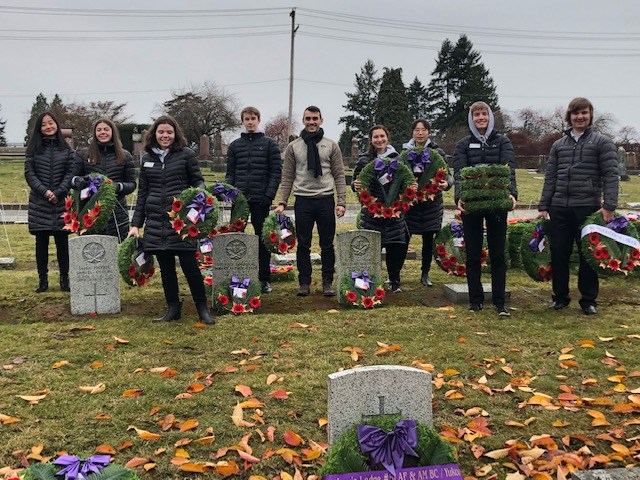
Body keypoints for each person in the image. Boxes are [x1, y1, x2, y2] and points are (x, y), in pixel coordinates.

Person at [128, 115, 214, 324]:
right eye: (161, 132)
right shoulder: (147, 157)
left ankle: (202, 308)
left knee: (190, 267)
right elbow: (143, 193)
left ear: (175, 134)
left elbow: (198, 181)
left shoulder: (186, 155)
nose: (165, 135)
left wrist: (196, 196)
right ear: (154, 134)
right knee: (166, 269)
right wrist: (135, 224)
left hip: (180, 221)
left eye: (169, 132)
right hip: (156, 222)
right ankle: (173, 308)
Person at [538, 97, 618, 316]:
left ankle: (588, 300)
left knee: (587, 256)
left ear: (590, 115)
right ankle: (560, 297)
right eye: (576, 113)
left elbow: (611, 174)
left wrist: (609, 205)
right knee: (559, 253)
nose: (580, 117)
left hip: (588, 207)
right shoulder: (558, 145)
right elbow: (551, 177)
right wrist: (544, 205)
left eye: (584, 113)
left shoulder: (602, 142)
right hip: (559, 208)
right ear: (569, 116)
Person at [274, 106, 346, 297]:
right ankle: (304, 283)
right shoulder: (294, 146)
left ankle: (327, 282)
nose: (311, 122)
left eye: (315, 118)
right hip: (303, 201)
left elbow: (339, 175)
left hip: (325, 200)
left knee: (327, 244)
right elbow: (287, 176)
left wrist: (341, 201)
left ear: (321, 120)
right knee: (303, 243)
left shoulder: (331, 145)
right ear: (303, 121)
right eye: (308, 118)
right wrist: (282, 201)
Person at [454, 101, 517, 316]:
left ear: (490, 117)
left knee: (498, 253)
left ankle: (500, 302)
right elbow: (459, 172)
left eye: (483, 114)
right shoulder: (463, 144)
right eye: (476, 115)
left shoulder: (502, 141)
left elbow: (509, 171)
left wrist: (512, 194)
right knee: (473, 254)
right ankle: (475, 300)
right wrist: (459, 199)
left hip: (496, 205)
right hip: (472, 205)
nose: (480, 118)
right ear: (471, 119)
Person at [225, 106, 282, 294]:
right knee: (235, 237)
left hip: (261, 199)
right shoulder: (234, 146)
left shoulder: (269, 144)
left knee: (263, 239)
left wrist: (268, 195)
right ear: (242, 121)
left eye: (253, 118)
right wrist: (229, 194)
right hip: (239, 200)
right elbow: (230, 174)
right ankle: (235, 275)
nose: (250, 122)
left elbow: (275, 172)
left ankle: (264, 278)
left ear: (258, 120)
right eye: (246, 119)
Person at [352, 125, 410, 293]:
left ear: (387, 137)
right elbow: (357, 182)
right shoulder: (364, 160)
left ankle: (394, 280)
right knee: (370, 250)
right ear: (371, 140)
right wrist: (355, 185)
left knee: (395, 248)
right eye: (375, 137)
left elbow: (406, 181)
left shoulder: (398, 159)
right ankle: (368, 281)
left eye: (382, 136)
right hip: (372, 213)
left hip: (394, 212)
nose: (379, 140)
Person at [24, 111, 75, 293]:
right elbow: (30, 174)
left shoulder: (66, 149)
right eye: (44, 124)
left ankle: (64, 278)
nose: (48, 127)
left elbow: (71, 173)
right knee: (41, 242)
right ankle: (43, 280)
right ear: (39, 128)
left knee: (62, 242)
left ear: (57, 125)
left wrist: (59, 192)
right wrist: (45, 192)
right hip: (40, 202)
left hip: (61, 202)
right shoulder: (33, 149)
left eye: (51, 123)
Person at [403, 119, 453, 287]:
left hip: (432, 205)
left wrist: (447, 184)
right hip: (410, 205)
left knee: (427, 240)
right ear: (412, 133)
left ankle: (425, 273)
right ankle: (395, 274)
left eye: (424, 130)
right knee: (403, 239)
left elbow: (448, 175)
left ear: (429, 132)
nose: (420, 133)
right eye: (417, 130)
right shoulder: (405, 152)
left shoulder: (437, 152)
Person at [72, 118, 137, 241]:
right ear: (94, 133)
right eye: (99, 130)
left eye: (106, 129)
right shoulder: (83, 154)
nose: (103, 132)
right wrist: (82, 182)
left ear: (112, 132)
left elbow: (132, 184)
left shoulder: (125, 155)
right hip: (90, 212)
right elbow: (72, 179)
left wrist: (117, 187)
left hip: (118, 213)